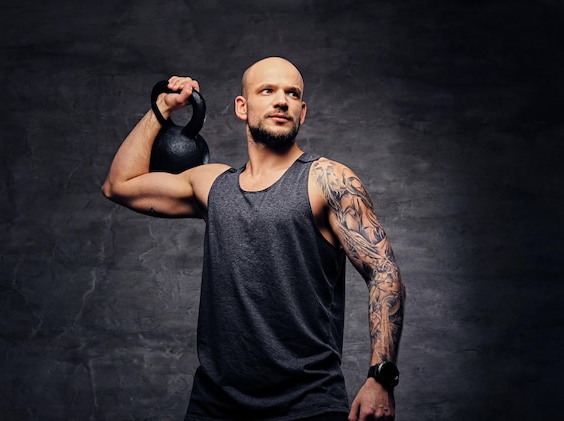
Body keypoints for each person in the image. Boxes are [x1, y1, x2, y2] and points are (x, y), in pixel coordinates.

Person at [102, 57, 405, 421]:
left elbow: (384, 273)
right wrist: (163, 108)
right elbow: (119, 185)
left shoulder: (329, 180)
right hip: (214, 407)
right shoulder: (212, 185)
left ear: (302, 112)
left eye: (292, 94)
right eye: (268, 90)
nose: (282, 101)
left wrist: (380, 377)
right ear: (242, 107)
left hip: (308, 406)